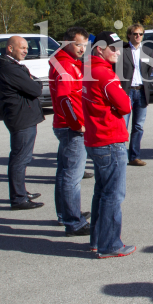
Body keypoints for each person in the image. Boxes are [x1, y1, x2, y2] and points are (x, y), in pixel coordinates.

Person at [84, 31, 135, 259]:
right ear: (99, 50)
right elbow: (125, 105)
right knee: (113, 195)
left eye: (118, 48)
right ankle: (110, 244)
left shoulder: (89, 71)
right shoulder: (104, 75)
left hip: (96, 138)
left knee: (102, 193)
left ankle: (97, 240)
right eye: (112, 48)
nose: (117, 52)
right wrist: (117, 104)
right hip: (109, 139)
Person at [48, 26, 91, 235]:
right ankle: (74, 222)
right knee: (72, 177)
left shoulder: (68, 62)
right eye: (78, 44)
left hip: (66, 126)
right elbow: (64, 98)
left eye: (85, 44)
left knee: (64, 174)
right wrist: (77, 125)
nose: (82, 49)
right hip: (70, 128)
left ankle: (65, 214)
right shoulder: (65, 65)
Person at [0, 35, 45, 210]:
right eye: (22, 48)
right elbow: (35, 88)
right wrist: (33, 82)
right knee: (20, 158)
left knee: (23, 157)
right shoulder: (9, 69)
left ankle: (21, 191)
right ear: (10, 48)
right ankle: (18, 198)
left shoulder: (12, 66)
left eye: (26, 48)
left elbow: (33, 84)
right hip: (21, 119)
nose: (26, 51)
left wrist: (32, 82)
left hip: (24, 116)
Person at [121, 23, 153, 167]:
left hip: (141, 91)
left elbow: (149, 70)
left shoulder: (148, 51)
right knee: (123, 126)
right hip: (126, 92)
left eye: (140, 34)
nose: (138, 36)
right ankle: (121, 157)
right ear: (129, 35)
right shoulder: (122, 50)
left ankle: (134, 156)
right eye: (135, 34)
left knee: (138, 126)